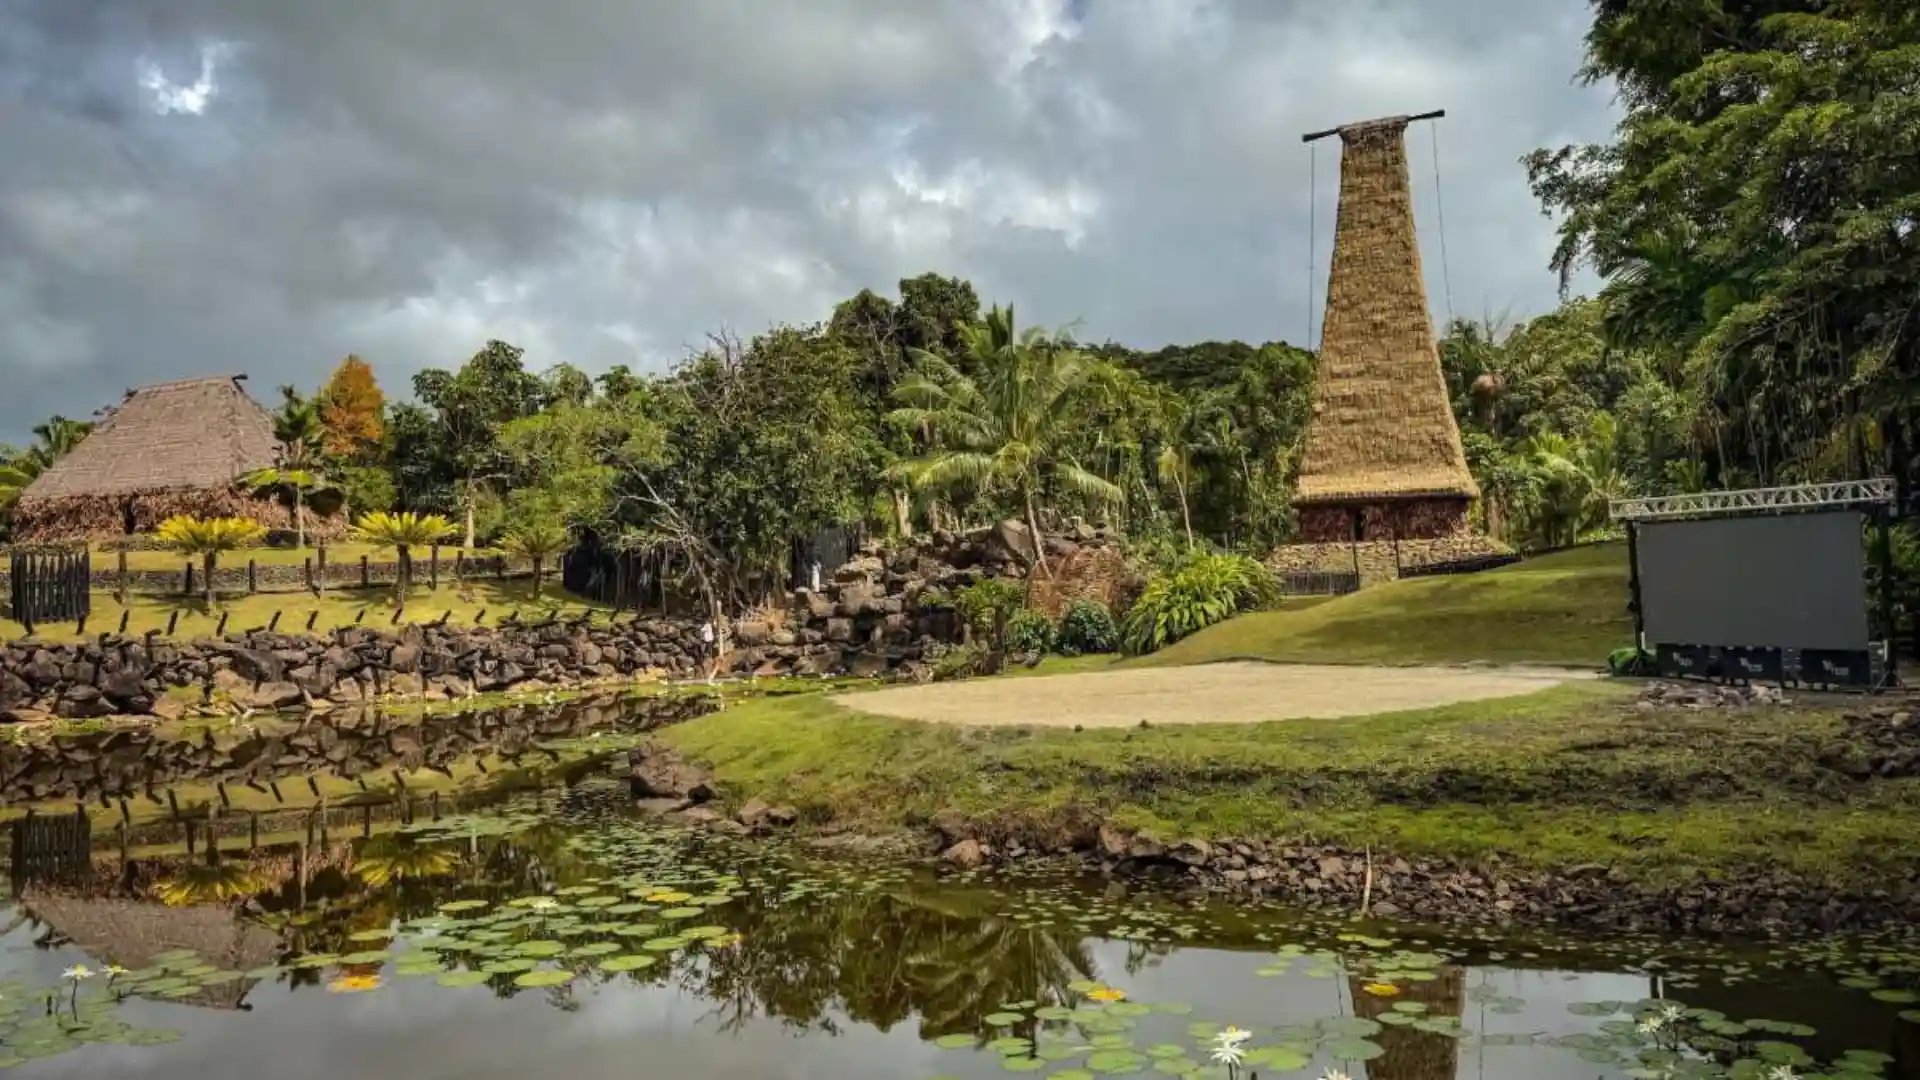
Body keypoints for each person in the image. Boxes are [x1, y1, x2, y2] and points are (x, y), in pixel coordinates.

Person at [699, 618, 716, 684]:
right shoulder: (710, 625)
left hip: (708, 639)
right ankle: (710, 655)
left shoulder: (707, 625)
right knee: (709, 648)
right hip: (710, 638)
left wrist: (700, 631)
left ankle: (709, 656)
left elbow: (702, 630)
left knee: (708, 648)